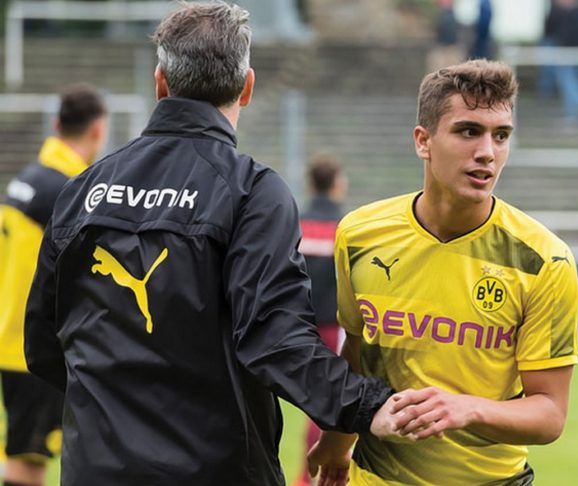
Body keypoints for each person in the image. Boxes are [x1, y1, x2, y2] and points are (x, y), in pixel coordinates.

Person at [23, 2, 417, 485]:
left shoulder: (83, 190)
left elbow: (43, 342)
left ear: (160, 83)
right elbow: (275, 339)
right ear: (247, 87)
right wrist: (368, 405)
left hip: (96, 468)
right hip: (214, 468)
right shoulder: (251, 191)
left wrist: (116, 408)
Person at [308, 59, 578, 485]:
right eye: (469, 131)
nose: (487, 152)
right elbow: (358, 354)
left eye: (501, 135)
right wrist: (337, 440)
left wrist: (468, 408)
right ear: (423, 141)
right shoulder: (360, 235)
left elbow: (549, 413)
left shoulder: (544, 261)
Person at [0, 83, 108, 486]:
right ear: (98, 129)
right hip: (37, 348)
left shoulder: (27, 180)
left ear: (55, 124)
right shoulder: (70, 193)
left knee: (25, 453)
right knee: (28, 463)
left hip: (12, 339)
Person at [294, 155, 348, 486]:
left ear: (311, 184)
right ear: (338, 184)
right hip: (332, 329)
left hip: (294, 327)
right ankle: (309, 477)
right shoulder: (346, 227)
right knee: (325, 405)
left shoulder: (295, 224)